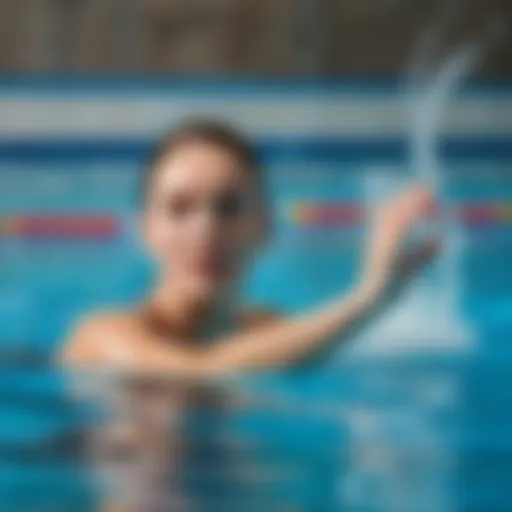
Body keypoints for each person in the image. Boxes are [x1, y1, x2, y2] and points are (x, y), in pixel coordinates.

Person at [60, 119, 438, 511]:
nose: (205, 230)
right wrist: (367, 299)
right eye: (178, 208)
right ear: (146, 229)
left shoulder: (272, 332)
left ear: (265, 226)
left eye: (229, 207)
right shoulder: (103, 335)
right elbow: (200, 368)